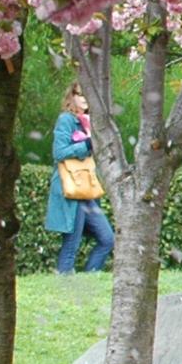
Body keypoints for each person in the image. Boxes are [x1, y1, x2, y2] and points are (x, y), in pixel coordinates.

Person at [47, 86, 115, 275]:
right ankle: (64, 283)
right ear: (71, 96)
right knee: (71, 244)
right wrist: (85, 144)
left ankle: (90, 277)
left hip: (86, 189)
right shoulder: (66, 120)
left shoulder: (89, 122)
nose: (85, 98)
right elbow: (59, 153)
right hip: (70, 188)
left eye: (88, 94)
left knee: (107, 239)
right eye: (80, 94)